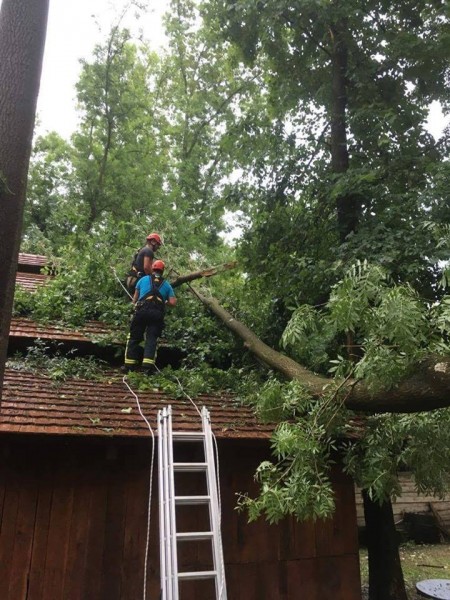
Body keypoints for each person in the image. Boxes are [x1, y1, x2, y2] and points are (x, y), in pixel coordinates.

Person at [124, 260, 177, 373]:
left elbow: (135, 299)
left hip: (142, 311)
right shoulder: (166, 285)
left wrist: (134, 306)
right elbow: (173, 303)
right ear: (162, 271)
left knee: (134, 337)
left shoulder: (143, 279)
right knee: (151, 339)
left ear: (152, 269)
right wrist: (164, 301)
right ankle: (147, 368)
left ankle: (129, 366)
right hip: (157, 314)